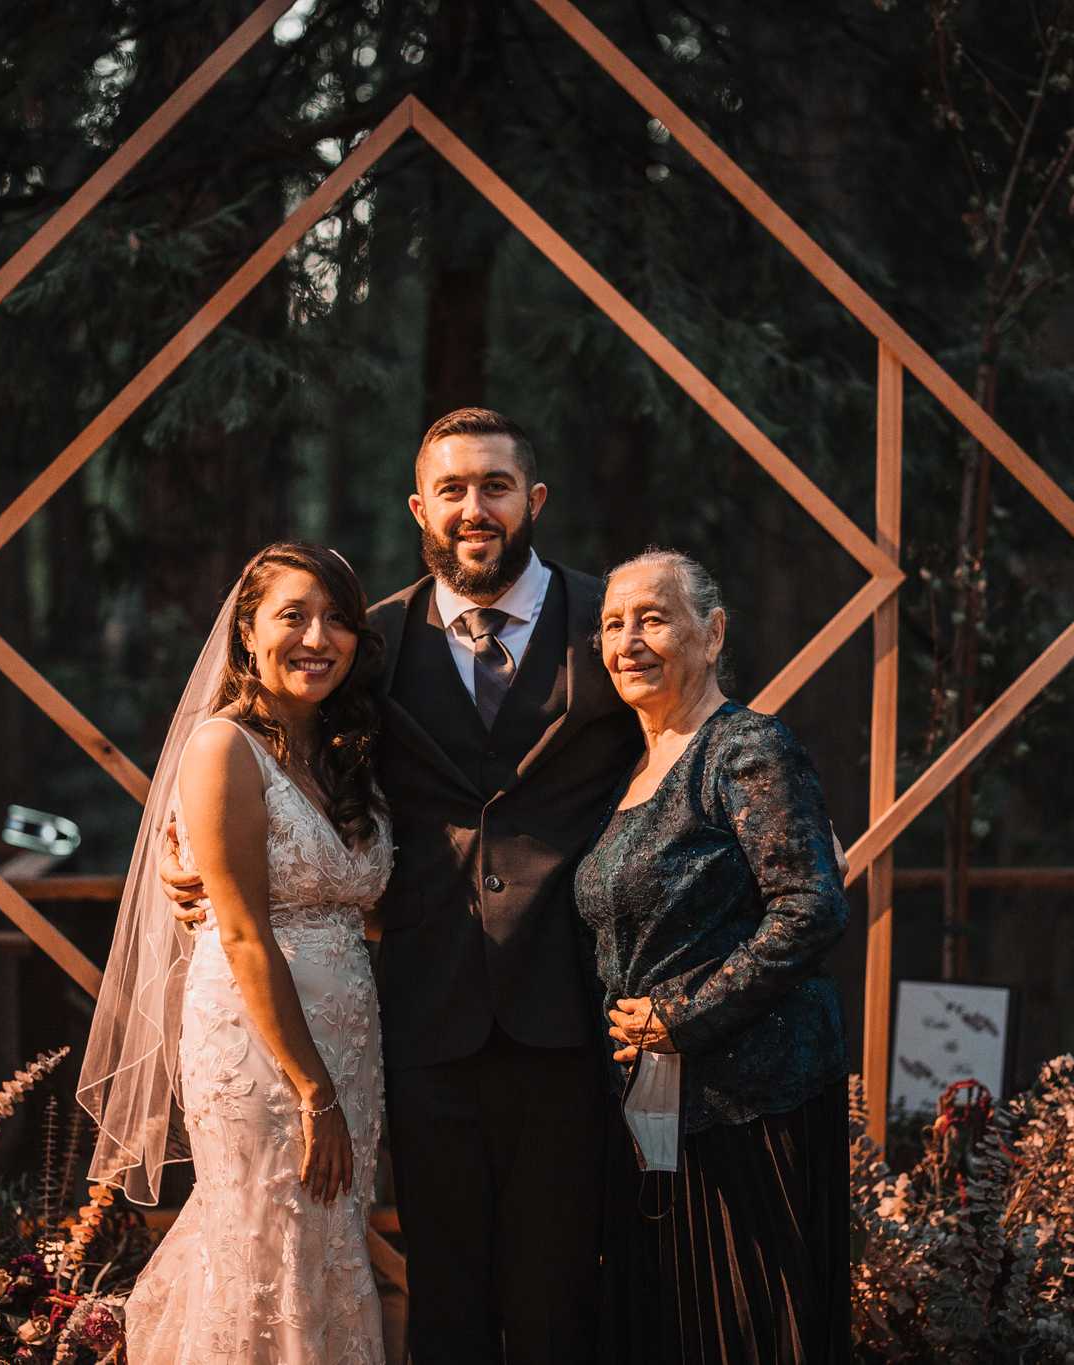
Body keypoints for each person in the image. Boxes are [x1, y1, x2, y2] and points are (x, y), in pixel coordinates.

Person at [160, 409, 641, 1363]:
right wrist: (196, 856)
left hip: (569, 1013)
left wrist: (761, 812)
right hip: (423, 1022)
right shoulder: (366, 645)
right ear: (420, 508)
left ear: (533, 500)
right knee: (443, 1303)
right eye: (452, 490)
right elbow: (269, 760)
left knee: (558, 1301)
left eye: (496, 486)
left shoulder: (611, 623)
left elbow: (683, 743)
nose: (475, 508)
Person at [77, 542, 394, 1364]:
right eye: (293, 615)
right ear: (247, 632)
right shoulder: (223, 748)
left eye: (337, 620)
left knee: (325, 1245)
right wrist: (312, 1090)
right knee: (265, 1245)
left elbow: (369, 901)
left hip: (349, 1042)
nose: (317, 637)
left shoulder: (341, 753)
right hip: (266, 1055)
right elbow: (246, 930)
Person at [576, 548, 854, 1364]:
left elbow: (811, 906)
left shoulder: (746, 748)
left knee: (748, 1325)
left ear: (713, 632)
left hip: (752, 1099)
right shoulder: (628, 770)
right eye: (613, 624)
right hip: (654, 1107)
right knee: (674, 1326)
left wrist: (680, 1017)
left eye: (653, 618)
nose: (628, 639)